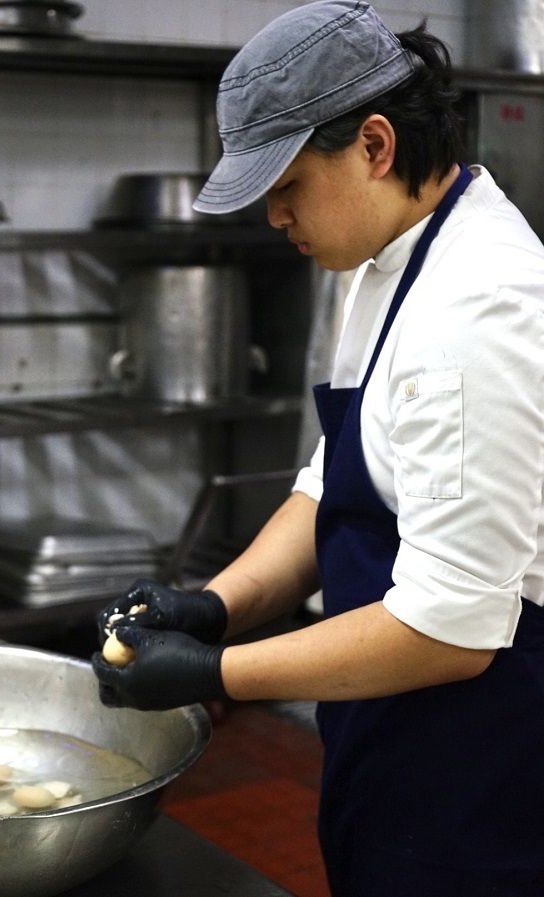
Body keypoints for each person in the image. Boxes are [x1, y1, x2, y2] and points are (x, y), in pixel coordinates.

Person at [92, 2, 544, 894]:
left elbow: (447, 627)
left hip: (479, 770)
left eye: (286, 185)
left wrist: (217, 671)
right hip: (391, 742)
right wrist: (214, 606)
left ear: (374, 145)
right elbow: (335, 480)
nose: (273, 216)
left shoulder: (478, 309)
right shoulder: (386, 259)